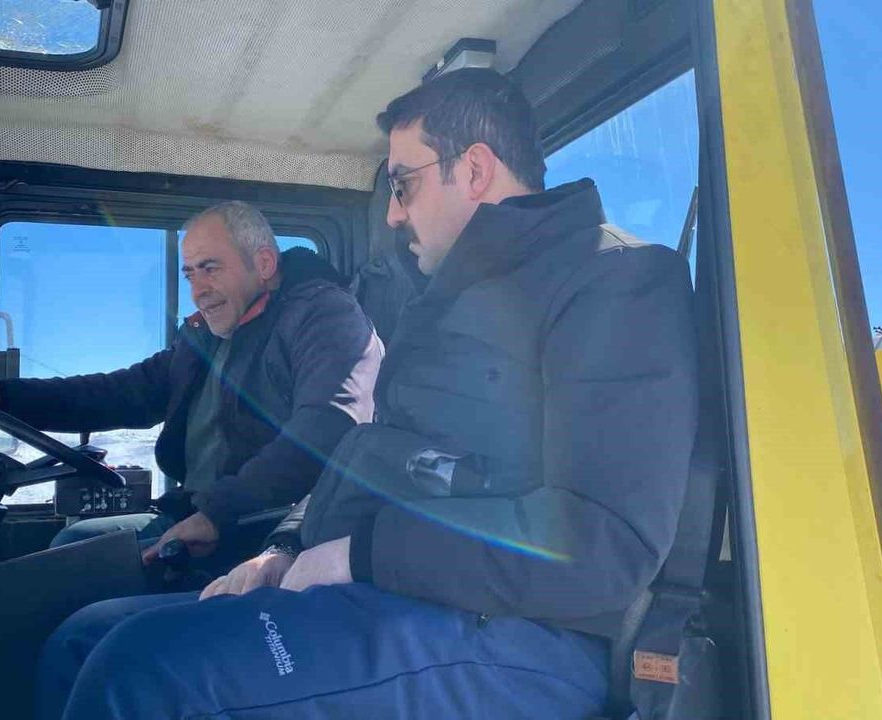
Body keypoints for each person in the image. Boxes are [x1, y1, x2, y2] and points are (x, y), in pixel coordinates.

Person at [35, 69, 698, 719]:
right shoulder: (443, 305)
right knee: (86, 638)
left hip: (529, 634)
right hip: (408, 591)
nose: (392, 213)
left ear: (473, 170)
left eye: (403, 184)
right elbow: (370, 455)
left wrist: (360, 555)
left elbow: (601, 547)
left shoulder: (614, 282)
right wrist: (287, 549)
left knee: (138, 670)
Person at [0, 200, 383, 564]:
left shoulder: (322, 316)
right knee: (71, 546)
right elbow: (119, 392)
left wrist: (218, 514)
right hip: (196, 512)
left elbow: (327, 428)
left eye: (211, 268)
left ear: (262, 263)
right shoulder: (204, 338)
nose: (198, 289)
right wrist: (1, 396)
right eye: (190, 274)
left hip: (263, 531)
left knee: (74, 571)